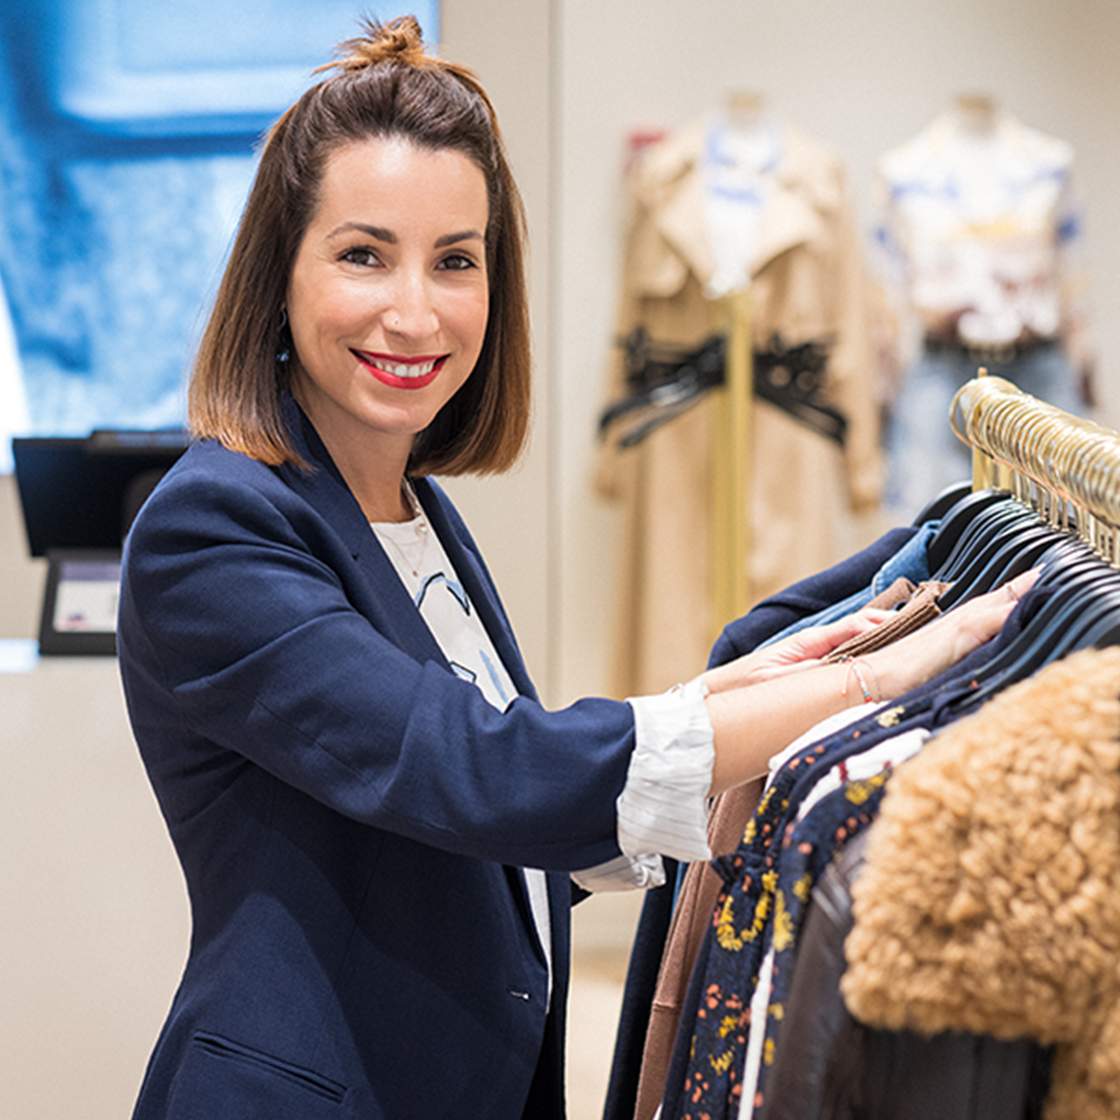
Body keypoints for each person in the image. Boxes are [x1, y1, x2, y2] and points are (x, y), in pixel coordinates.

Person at [116, 17, 1037, 1119]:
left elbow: (490, 832)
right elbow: (473, 769)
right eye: (363, 255)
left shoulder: (416, 511)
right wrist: (871, 683)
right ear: (279, 273)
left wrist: (744, 693)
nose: (415, 310)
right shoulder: (212, 526)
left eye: (455, 261)